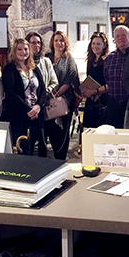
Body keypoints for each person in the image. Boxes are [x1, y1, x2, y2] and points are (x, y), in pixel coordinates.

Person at [2, 38, 47, 156]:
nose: (23, 52)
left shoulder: (34, 68)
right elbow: (11, 94)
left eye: (26, 49)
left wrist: (38, 107)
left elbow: (43, 89)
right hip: (20, 116)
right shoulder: (9, 69)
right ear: (14, 51)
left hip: (37, 115)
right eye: (19, 49)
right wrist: (29, 110)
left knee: (40, 150)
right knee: (24, 149)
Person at [46, 31, 80, 160]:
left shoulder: (69, 59)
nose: (59, 43)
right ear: (52, 43)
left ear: (65, 43)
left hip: (64, 100)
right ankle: (54, 151)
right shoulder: (47, 58)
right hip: (48, 99)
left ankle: (61, 155)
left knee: (63, 130)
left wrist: (57, 94)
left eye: (61, 40)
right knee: (51, 128)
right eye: (56, 40)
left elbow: (70, 79)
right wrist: (49, 94)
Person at [104, 25, 129, 128]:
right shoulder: (109, 58)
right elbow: (107, 79)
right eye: (117, 36)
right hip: (113, 106)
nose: (120, 38)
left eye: (123, 35)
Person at [82, 32, 109, 128]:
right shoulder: (90, 60)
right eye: (93, 43)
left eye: (98, 44)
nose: (95, 46)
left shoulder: (108, 60)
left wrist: (94, 91)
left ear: (104, 45)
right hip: (91, 101)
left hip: (103, 101)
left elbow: (110, 84)